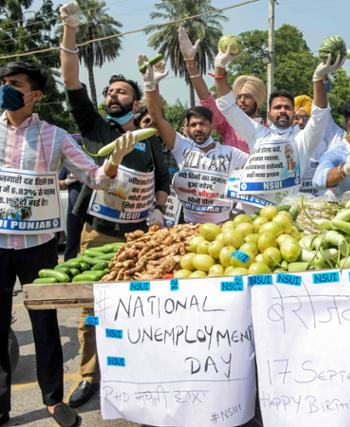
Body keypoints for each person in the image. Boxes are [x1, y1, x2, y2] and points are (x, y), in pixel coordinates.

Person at [0, 60, 138, 427]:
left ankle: (52, 401)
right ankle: (0, 406)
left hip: (39, 246)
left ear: (35, 95)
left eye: (15, 83)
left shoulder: (55, 136)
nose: (7, 88)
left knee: (44, 326)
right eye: (4, 82)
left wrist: (115, 160)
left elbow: (96, 179)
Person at [59, 1, 172, 407]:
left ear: (136, 102)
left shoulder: (150, 139)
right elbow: (71, 80)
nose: (111, 95)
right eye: (108, 91)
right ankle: (89, 374)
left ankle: (137, 372)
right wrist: (70, 31)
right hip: (98, 233)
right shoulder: (93, 127)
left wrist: (158, 208)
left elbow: (163, 179)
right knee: (91, 307)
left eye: (120, 91)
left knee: (137, 308)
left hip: (140, 239)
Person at [212, 35, 342, 210]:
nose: (282, 110)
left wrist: (317, 78)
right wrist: (219, 68)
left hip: (284, 218)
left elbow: (319, 116)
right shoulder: (256, 132)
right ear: (269, 113)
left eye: (287, 107)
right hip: (250, 217)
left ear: (293, 112)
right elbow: (228, 106)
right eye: (277, 107)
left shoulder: (302, 140)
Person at [139, 55, 248, 224]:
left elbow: (258, 168)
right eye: (193, 125)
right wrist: (151, 85)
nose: (198, 128)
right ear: (187, 128)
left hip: (222, 227)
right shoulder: (182, 146)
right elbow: (158, 119)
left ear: (211, 126)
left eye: (203, 124)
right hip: (188, 227)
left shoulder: (231, 153)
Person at [177, 27, 264, 155]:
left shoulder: (269, 131)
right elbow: (207, 100)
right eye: (238, 97)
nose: (242, 101)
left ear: (258, 99)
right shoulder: (229, 126)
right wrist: (190, 63)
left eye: (247, 97)